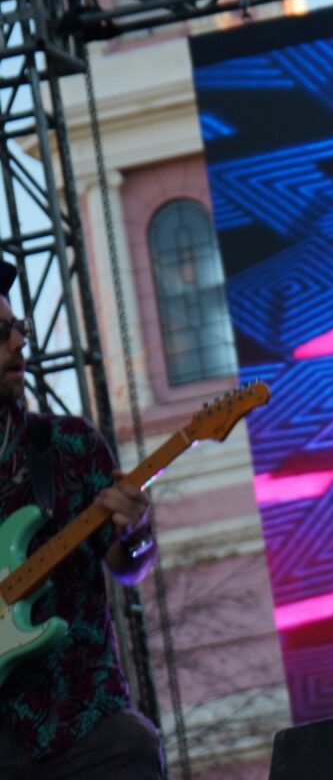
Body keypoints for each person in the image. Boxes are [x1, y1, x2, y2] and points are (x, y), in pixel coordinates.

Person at [0, 269, 165, 780]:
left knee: (134, 745)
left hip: (87, 719)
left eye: (18, 326)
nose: (17, 341)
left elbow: (127, 564)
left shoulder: (68, 445)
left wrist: (134, 537)